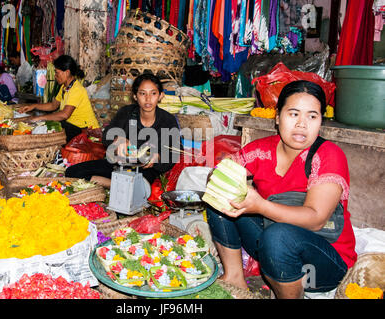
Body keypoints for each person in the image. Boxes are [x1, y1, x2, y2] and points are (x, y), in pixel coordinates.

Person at [206, 80, 357, 299]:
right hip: (272, 246)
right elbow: (220, 175)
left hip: (325, 261)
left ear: (321, 121)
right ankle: (234, 277)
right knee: (221, 198)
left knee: (278, 236)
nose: (302, 124)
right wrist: (222, 176)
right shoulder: (262, 148)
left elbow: (316, 218)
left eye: (312, 116)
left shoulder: (328, 155)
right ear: (277, 117)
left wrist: (261, 205)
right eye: (293, 114)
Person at [65, 73, 181, 188]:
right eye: (142, 93)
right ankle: (119, 186)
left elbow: (174, 153)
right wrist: (118, 139)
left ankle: (120, 186)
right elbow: (107, 136)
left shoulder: (167, 121)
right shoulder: (126, 112)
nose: (148, 98)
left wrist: (157, 157)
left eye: (153, 93)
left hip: (146, 170)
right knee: (72, 172)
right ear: (135, 96)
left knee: (142, 184)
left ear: (160, 96)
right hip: (119, 164)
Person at [17, 55, 99, 142]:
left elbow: (64, 115)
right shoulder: (64, 87)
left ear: (67, 72)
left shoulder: (76, 90)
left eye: (57, 72)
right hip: (74, 127)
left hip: (87, 130)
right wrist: (33, 106)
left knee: (55, 127)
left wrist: (41, 118)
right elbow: (53, 105)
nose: (55, 76)